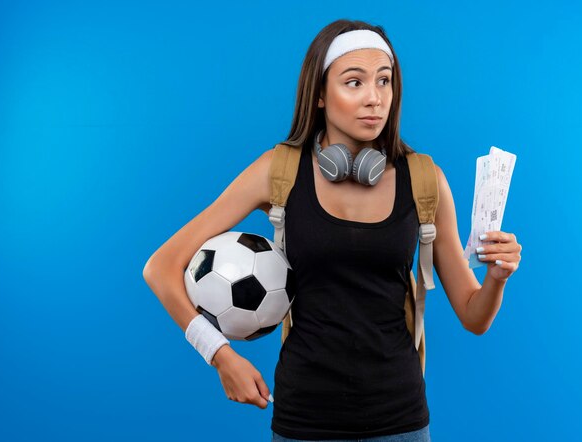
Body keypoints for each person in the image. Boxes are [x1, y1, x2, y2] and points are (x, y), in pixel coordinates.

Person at [143, 19, 522, 442]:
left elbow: (474, 316)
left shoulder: (425, 180)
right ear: (320, 94)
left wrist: (497, 277)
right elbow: (161, 267)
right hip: (304, 420)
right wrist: (219, 355)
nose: (374, 99)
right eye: (354, 82)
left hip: (400, 420)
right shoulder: (279, 171)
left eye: (384, 81)